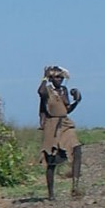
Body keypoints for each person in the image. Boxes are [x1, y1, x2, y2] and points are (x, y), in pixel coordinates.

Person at [38, 66, 82, 200]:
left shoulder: (63, 90)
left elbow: (66, 109)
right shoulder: (47, 90)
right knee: (51, 159)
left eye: (61, 77)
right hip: (52, 125)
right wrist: (44, 78)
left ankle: (75, 185)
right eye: (57, 77)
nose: (59, 80)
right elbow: (40, 92)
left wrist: (77, 100)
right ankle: (51, 194)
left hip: (65, 123)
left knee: (76, 149)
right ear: (51, 78)